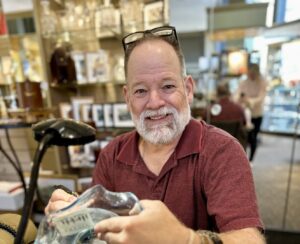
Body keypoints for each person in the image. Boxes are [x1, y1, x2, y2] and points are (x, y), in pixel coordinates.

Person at [45, 26, 265, 244]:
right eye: (140, 90)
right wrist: (70, 217)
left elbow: (250, 239)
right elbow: (94, 228)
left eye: (167, 86)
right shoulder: (112, 155)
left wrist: (187, 240)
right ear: (127, 97)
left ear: (188, 89)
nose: (155, 102)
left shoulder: (221, 151)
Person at [235, 63, 267, 162]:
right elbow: (237, 95)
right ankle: (243, 159)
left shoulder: (262, 83)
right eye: (250, 73)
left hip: (257, 114)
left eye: (254, 73)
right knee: (245, 137)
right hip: (245, 113)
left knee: (253, 137)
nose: (251, 75)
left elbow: (261, 98)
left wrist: (250, 101)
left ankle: (251, 160)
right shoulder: (243, 82)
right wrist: (239, 99)